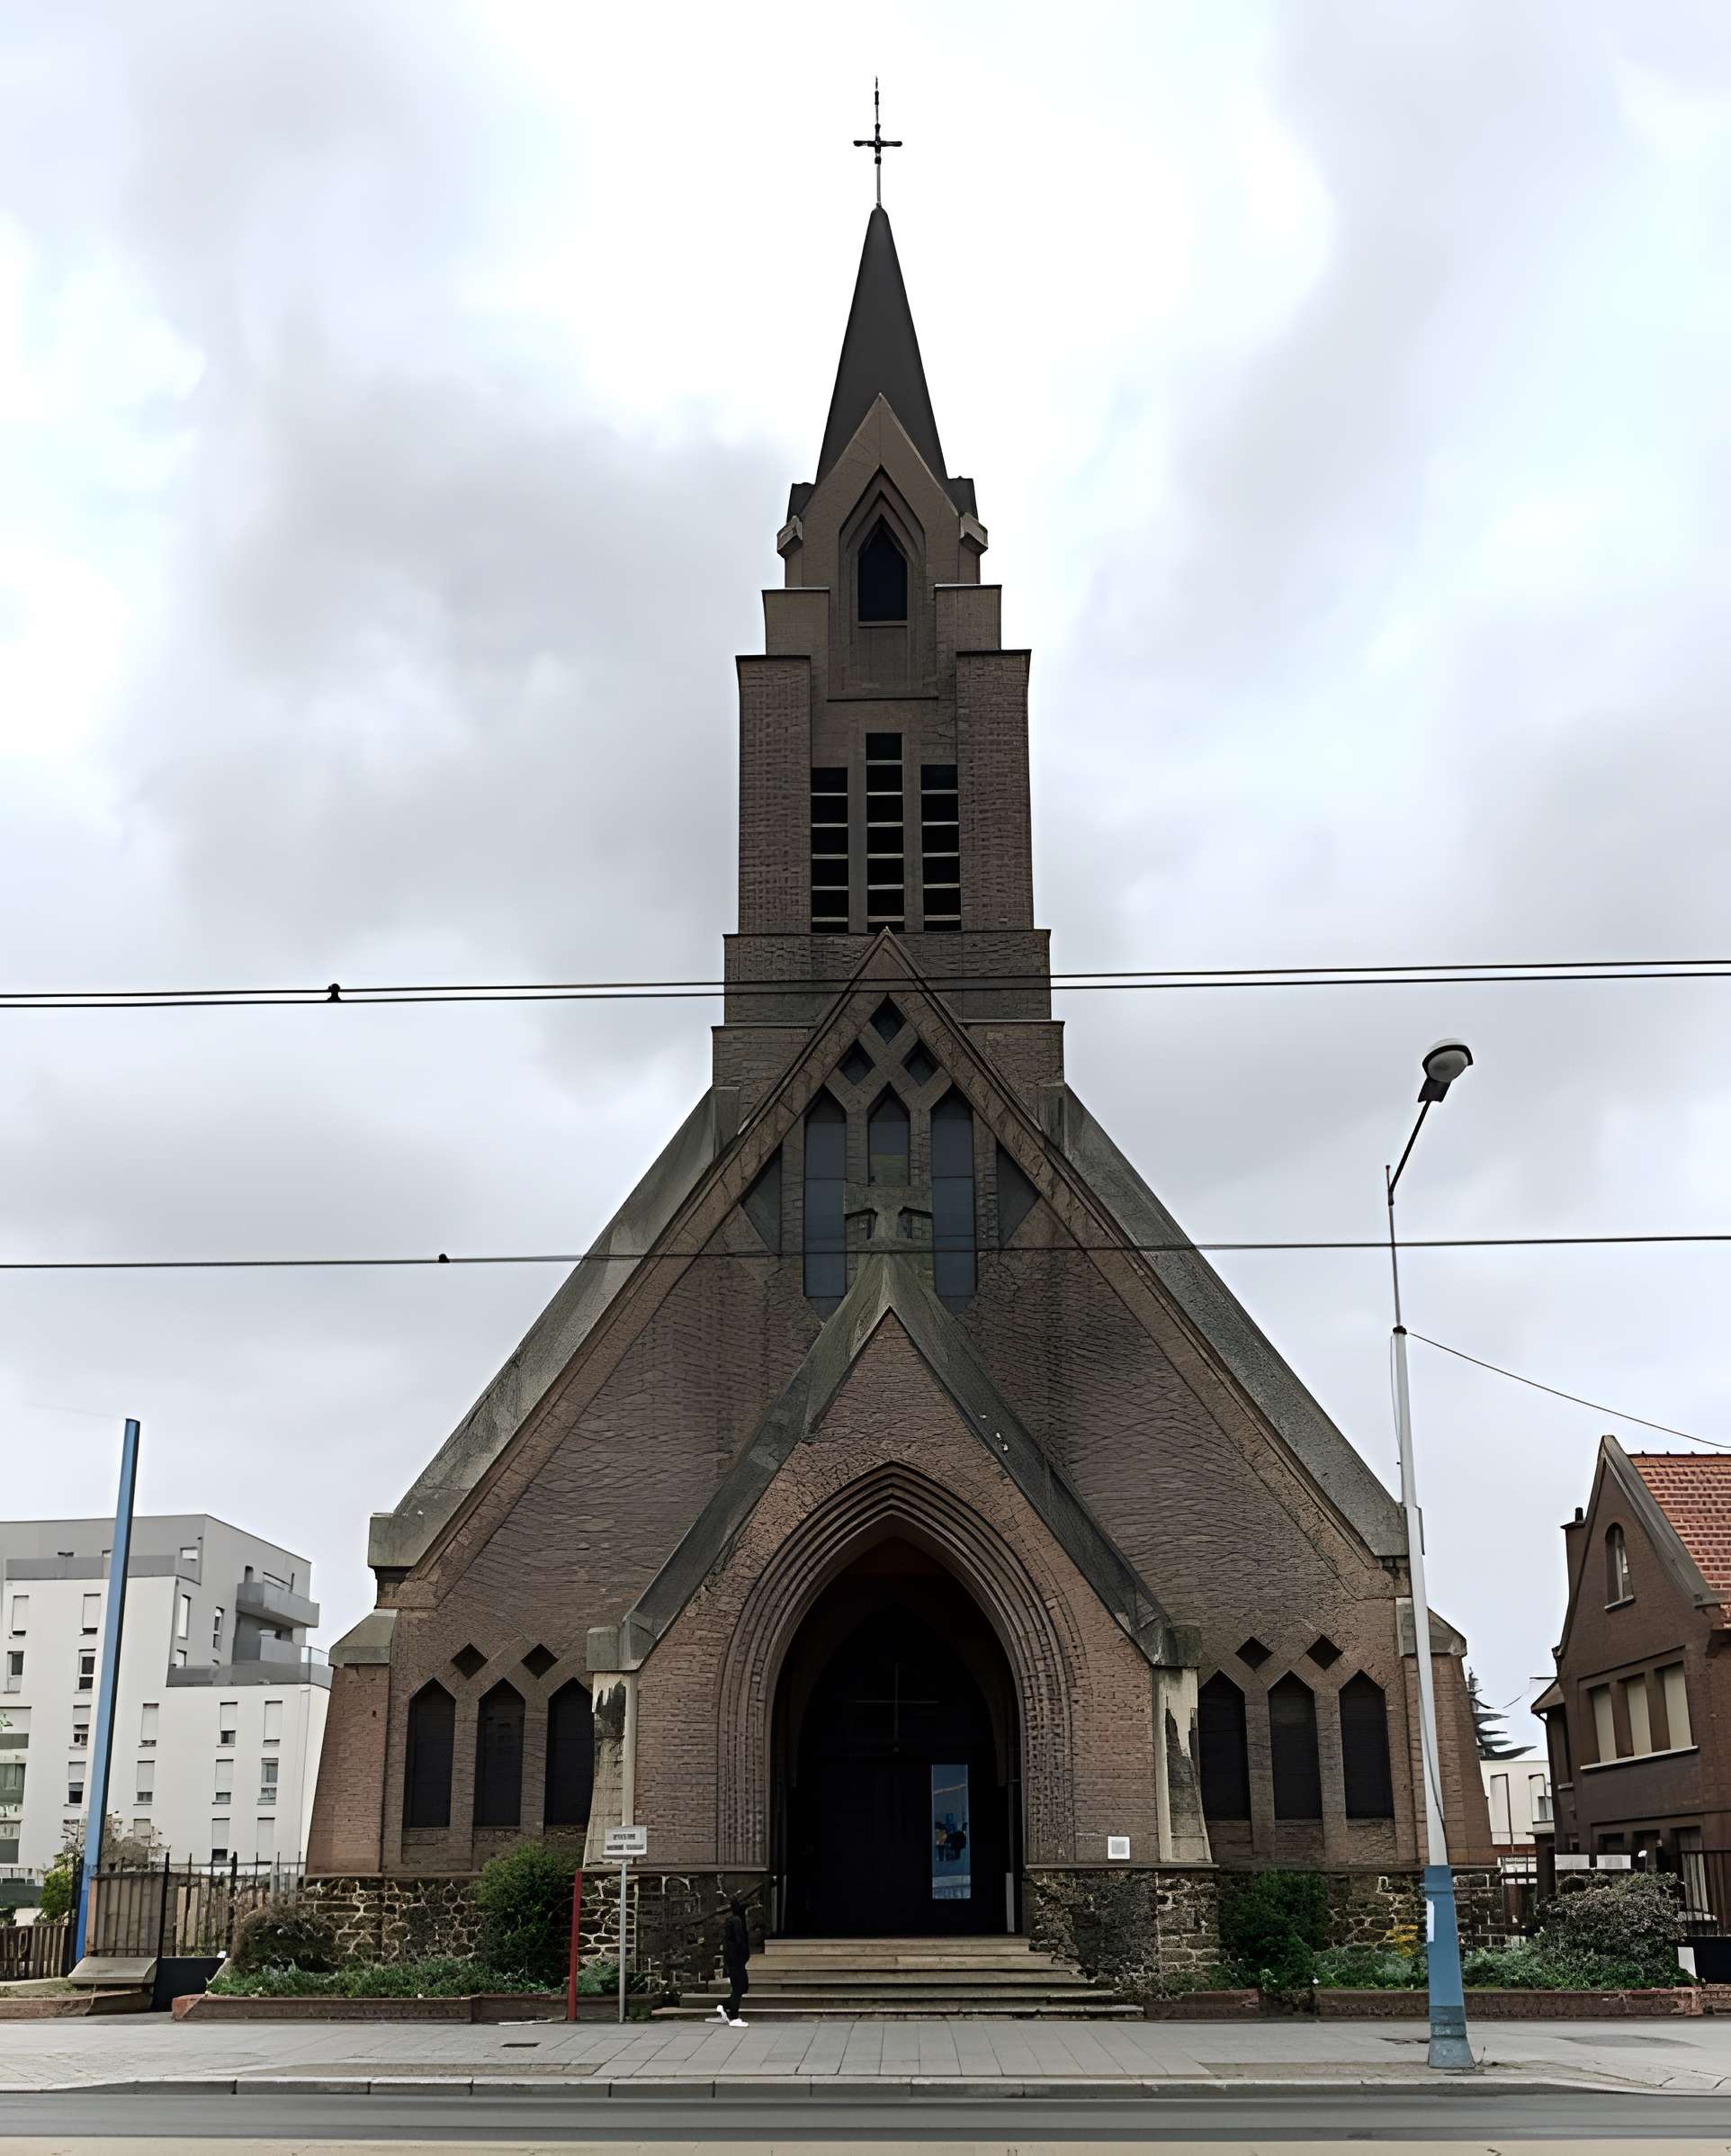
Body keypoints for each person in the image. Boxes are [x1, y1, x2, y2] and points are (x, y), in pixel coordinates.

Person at [715, 1893, 750, 2027]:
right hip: (737, 1959)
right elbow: (740, 1941)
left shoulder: (732, 1921)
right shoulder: (736, 1921)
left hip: (734, 1959)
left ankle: (725, 2006)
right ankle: (733, 2014)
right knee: (739, 1987)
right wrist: (744, 1954)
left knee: (740, 1986)